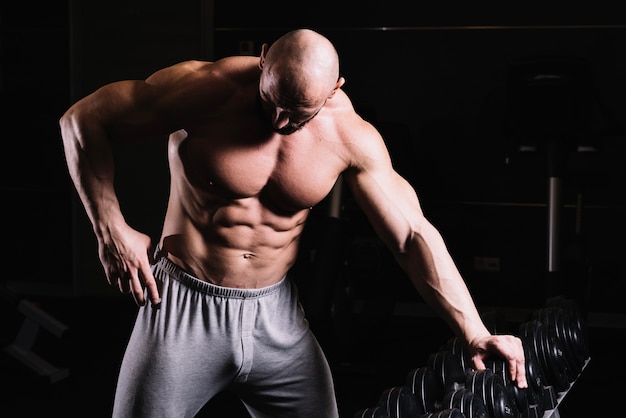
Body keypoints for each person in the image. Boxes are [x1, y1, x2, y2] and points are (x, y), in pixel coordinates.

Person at [59, 28, 527, 418]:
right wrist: (110, 228)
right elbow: (82, 121)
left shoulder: (349, 136)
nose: (280, 121)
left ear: (335, 88)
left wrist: (475, 331)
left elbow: (411, 234)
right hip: (184, 304)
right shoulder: (205, 90)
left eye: (298, 113)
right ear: (263, 59)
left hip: (276, 318)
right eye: (273, 101)